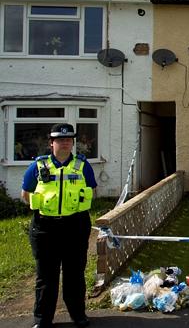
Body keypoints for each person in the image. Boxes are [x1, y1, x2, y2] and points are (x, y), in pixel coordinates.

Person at [21, 123, 97, 328]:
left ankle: (78, 315)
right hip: (45, 228)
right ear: (51, 142)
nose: (65, 143)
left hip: (75, 226)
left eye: (68, 140)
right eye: (60, 140)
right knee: (46, 276)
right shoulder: (38, 166)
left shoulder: (82, 165)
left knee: (74, 274)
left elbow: (92, 191)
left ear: (72, 143)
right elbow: (25, 194)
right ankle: (42, 319)